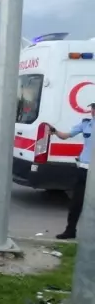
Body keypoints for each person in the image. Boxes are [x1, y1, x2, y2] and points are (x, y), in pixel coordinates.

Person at [50, 102, 94, 240]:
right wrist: (55, 131)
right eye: (93, 108)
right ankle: (70, 231)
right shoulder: (86, 124)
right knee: (76, 203)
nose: (93, 110)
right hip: (84, 169)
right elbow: (66, 135)